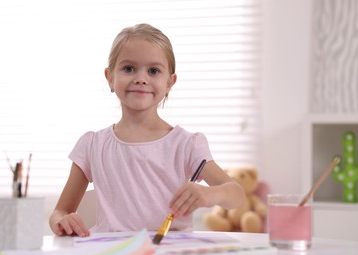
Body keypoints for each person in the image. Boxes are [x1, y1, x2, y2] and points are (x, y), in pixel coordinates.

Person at [49, 23, 246, 237]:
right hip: (112, 252)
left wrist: (209, 195)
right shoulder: (92, 145)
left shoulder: (186, 145)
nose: (141, 78)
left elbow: (237, 195)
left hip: (168, 251)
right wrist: (62, 221)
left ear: (170, 82)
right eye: (129, 68)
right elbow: (60, 211)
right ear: (110, 77)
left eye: (153, 71)